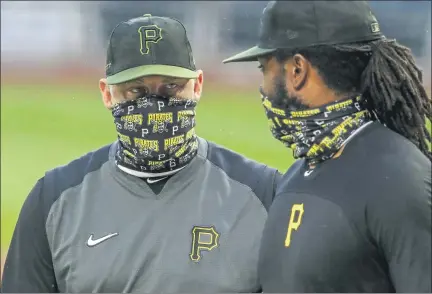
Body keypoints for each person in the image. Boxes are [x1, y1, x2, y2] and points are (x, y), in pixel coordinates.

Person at [2, 14, 281, 293]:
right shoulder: (53, 199)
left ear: (197, 85)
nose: (155, 105)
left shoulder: (263, 193)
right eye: (136, 91)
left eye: (171, 87)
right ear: (107, 93)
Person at [223, 1, 431, 292]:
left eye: (264, 69)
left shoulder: (401, 180)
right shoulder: (301, 171)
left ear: (297, 69)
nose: (263, 88)